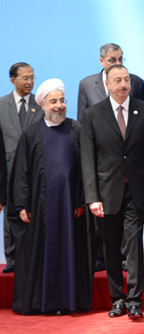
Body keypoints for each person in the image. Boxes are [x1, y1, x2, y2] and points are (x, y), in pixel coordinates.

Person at [81, 64, 144, 319]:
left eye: (126, 79)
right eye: (117, 80)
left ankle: (135, 300)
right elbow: (87, 159)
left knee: (134, 245)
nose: (123, 84)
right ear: (107, 84)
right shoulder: (93, 114)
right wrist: (92, 197)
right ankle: (117, 299)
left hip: (136, 191)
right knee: (111, 247)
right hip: (106, 192)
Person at [10, 79, 93, 315]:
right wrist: (22, 204)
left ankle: (67, 301)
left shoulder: (76, 129)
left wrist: (80, 199)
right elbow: (21, 172)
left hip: (70, 208)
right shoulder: (32, 133)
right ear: (43, 104)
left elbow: (84, 167)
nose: (59, 105)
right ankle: (41, 302)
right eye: (53, 101)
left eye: (62, 100)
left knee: (70, 252)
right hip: (40, 206)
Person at [0, 62, 43, 274]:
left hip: (35, 170)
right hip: (8, 170)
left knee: (34, 213)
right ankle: (12, 257)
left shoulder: (40, 104)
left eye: (32, 77)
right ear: (13, 80)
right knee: (11, 214)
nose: (29, 82)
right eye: (25, 78)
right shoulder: (1, 105)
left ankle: (33, 255)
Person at [77, 43, 144, 121]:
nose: (118, 64)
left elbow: (142, 117)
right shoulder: (87, 85)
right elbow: (82, 122)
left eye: (120, 59)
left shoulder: (136, 82)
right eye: (112, 60)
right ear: (101, 61)